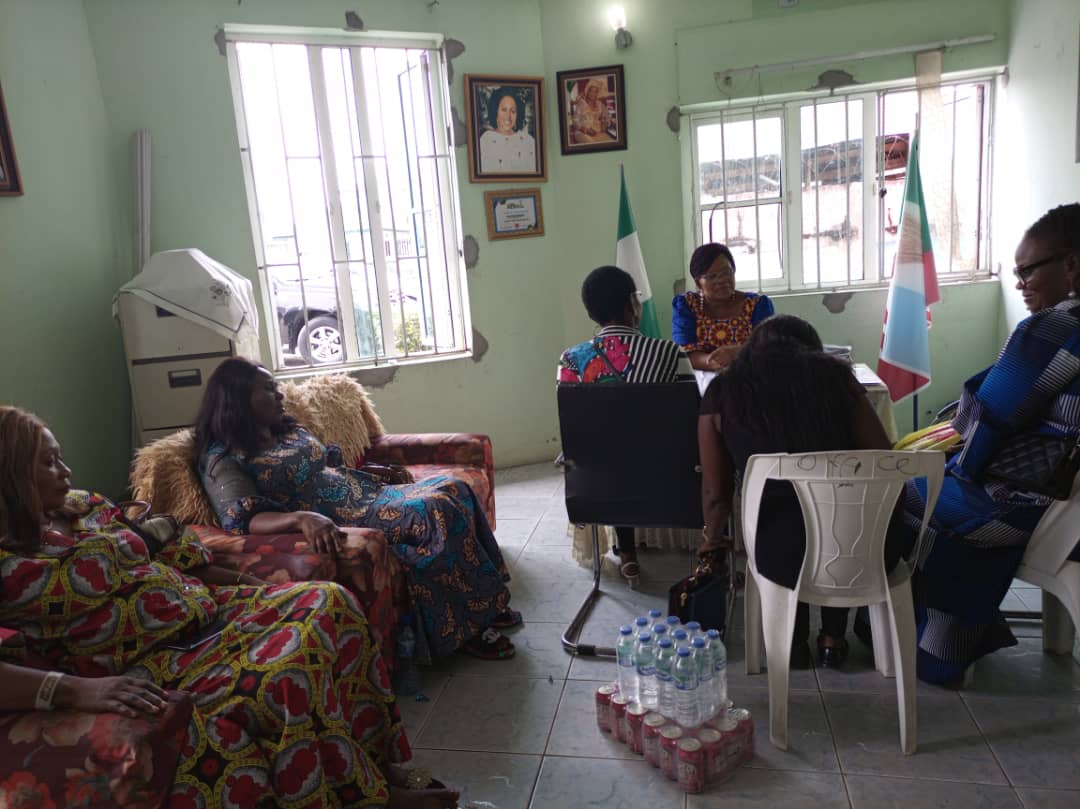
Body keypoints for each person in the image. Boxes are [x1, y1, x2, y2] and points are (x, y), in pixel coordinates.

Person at [0, 406, 458, 809]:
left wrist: (251, 587)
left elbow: (173, 550)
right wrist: (74, 690)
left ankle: (379, 768)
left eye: (60, 456)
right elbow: (121, 554)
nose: (66, 470)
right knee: (287, 672)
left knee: (333, 601)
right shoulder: (9, 560)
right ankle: (365, 799)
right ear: (12, 474)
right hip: (155, 657)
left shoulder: (84, 506)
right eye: (48, 462)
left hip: (204, 609)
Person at [194, 358, 520, 663]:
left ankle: (485, 601)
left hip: (364, 492)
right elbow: (243, 519)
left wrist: (374, 470)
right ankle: (466, 629)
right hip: (343, 515)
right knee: (432, 511)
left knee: (454, 488)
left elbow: (327, 466)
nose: (279, 395)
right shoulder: (224, 459)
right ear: (237, 398)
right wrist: (301, 518)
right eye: (268, 388)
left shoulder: (285, 430)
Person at [897, 203, 1080, 685]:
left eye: (1026, 270)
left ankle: (937, 643)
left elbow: (991, 415)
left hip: (1024, 503)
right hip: (1065, 501)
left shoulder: (1058, 327)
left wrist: (959, 465)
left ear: (1072, 264)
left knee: (896, 498)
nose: (1020, 283)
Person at [697, 315, 902, 668]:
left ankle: (792, 643)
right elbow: (883, 462)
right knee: (839, 516)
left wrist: (711, 540)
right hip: (858, 549)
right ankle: (833, 639)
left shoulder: (723, 393)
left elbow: (716, 494)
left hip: (777, 554)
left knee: (786, 525)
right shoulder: (839, 381)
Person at [557, 265, 694, 582]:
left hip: (596, 486)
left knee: (613, 449)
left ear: (591, 312)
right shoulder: (670, 353)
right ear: (634, 303)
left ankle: (627, 551)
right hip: (668, 483)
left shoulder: (570, 359)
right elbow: (689, 421)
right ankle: (714, 555)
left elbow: (574, 431)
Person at [672, 243, 775, 373]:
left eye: (726, 273)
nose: (722, 280)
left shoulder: (757, 305)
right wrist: (713, 361)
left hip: (750, 377)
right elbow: (684, 353)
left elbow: (768, 348)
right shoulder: (687, 305)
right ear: (698, 283)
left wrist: (737, 353)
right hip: (701, 381)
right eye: (712, 276)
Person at [478, 88, 536, 174]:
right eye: (504, 110)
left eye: (513, 111)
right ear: (495, 111)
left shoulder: (528, 141)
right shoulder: (486, 140)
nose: (508, 116)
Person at [571, 78, 613, 144]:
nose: (593, 94)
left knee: (610, 142)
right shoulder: (581, 103)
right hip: (582, 132)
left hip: (597, 131)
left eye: (596, 91)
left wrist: (605, 123)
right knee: (592, 143)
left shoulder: (600, 104)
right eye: (591, 91)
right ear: (587, 91)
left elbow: (607, 116)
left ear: (598, 93)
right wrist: (586, 130)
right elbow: (575, 121)